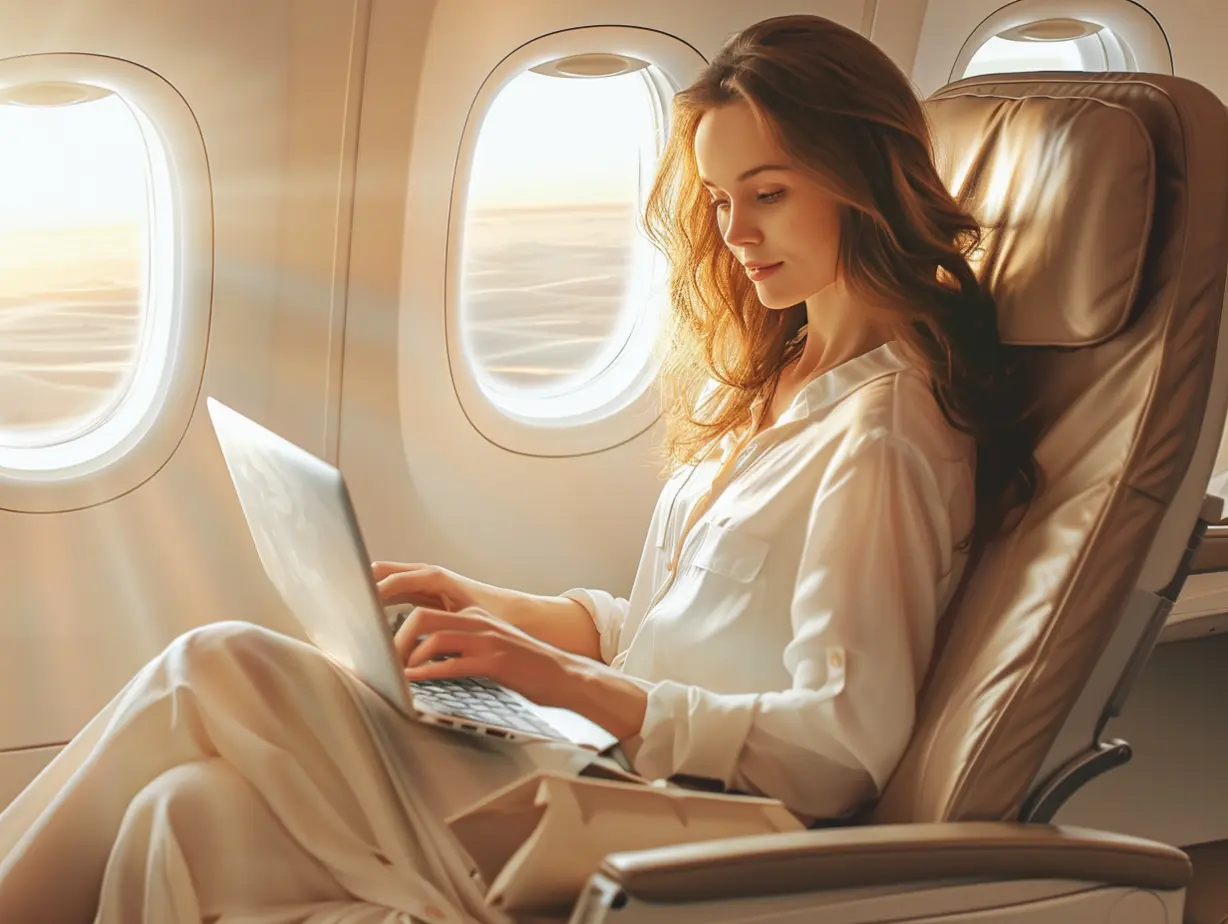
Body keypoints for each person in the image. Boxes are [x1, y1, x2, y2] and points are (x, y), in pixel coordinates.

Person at [0, 13, 1037, 924]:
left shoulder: (883, 437)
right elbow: (696, 634)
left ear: (862, 181)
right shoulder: (785, 379)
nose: (735, 233)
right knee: (183, 816)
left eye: (767, 192)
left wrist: (568, 685)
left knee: (217, 660)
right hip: (609, 763)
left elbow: (839, 748)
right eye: (719, 199)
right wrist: (504, 613)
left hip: (691, 826)